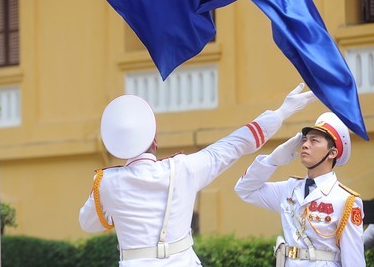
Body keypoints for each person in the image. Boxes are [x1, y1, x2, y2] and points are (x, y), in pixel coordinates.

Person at [79, 83, 317, 266]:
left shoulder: (107, 183)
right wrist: (281, 112)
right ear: (155, 139)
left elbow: (88, 224)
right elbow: (235, 144)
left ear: (117, 145)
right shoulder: (184, 168)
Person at [234, 112, 365, 266]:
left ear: (332, 153)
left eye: (314, 141)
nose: (305, 145)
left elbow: (354, 261)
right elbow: (244, 189)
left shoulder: (345, 200)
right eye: (305, 140)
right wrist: (272, 160)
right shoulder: (289, 188)